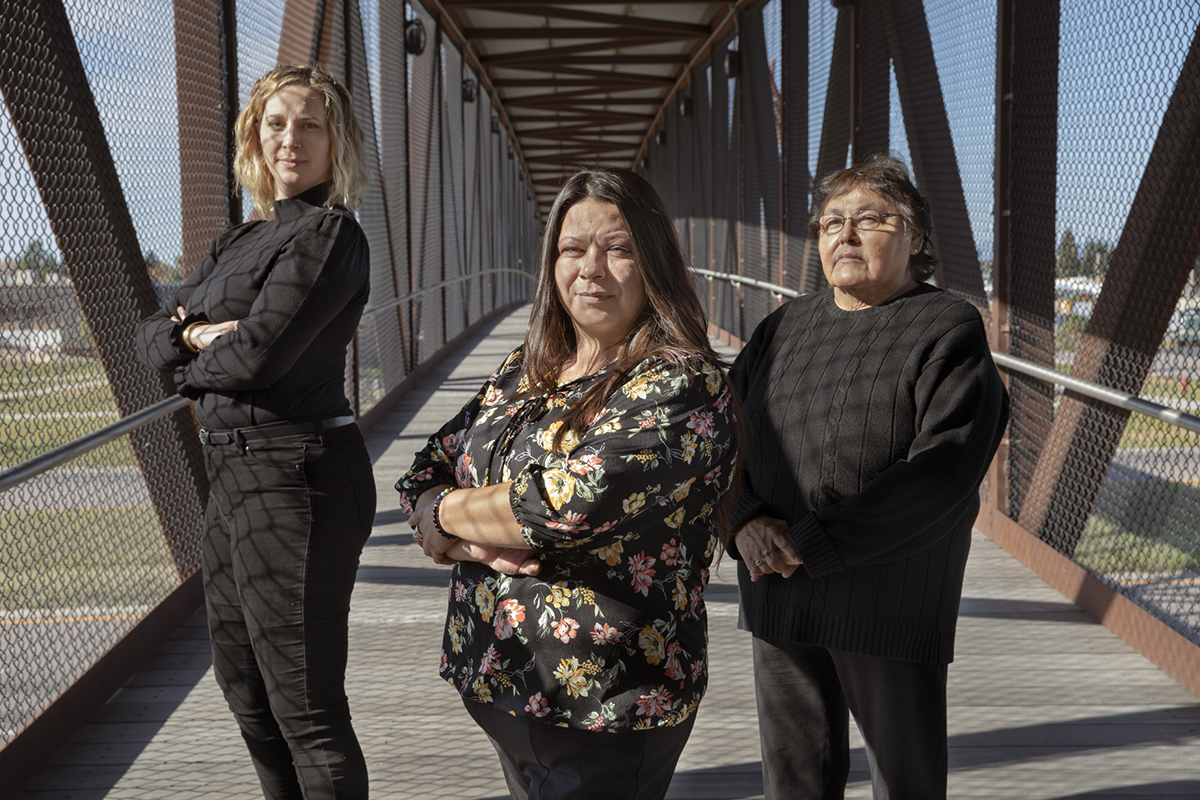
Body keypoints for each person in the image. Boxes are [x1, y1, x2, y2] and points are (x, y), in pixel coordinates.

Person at [395, 166, 738, 800]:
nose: (591, 269)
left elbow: (561, 505)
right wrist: (457, 525)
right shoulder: (526, 370)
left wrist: (442, 520)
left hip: (606, 706)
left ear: (655, 260)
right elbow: (425, 467)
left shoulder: (681, 385)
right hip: (506, 681)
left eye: (619, 250)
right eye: (572, 250)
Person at [728, 152, 1009, 800]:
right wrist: (742, 520)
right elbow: (722, 436)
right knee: (794, 782)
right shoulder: (783, 326)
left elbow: (944, 469)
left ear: (915, 237)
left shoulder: (947, 326)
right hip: (777, 592)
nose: (844, 235)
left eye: (869, 219)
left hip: (889, 600)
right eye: (830, 222)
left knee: (906, 783)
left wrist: (814, 541)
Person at [136, 64, 374, 799]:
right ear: (254, 135)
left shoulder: (332, 236)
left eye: (309, 124)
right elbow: (150, 341)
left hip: (298, 474)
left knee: (305, 705)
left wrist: (190, 342)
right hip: (231, 476)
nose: (290, 139)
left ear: (337, 143)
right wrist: (202, 340)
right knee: (246, 692)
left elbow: (262, 356)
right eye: (276, 123)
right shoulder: (236, 241)